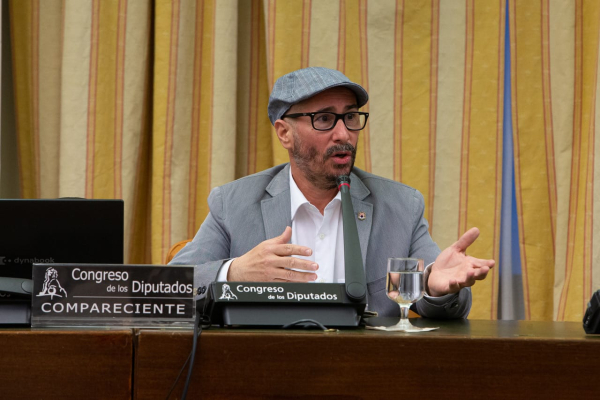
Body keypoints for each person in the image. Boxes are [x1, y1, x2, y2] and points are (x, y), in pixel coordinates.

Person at [170, 67, 494, 318]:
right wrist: (234, 272)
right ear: (284, 132)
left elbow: (436, 300)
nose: (344, 134)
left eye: (350, 117)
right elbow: (170, 286)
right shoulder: (235, 202)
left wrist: (434, 289)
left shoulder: (399, 206)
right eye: (324, 118)